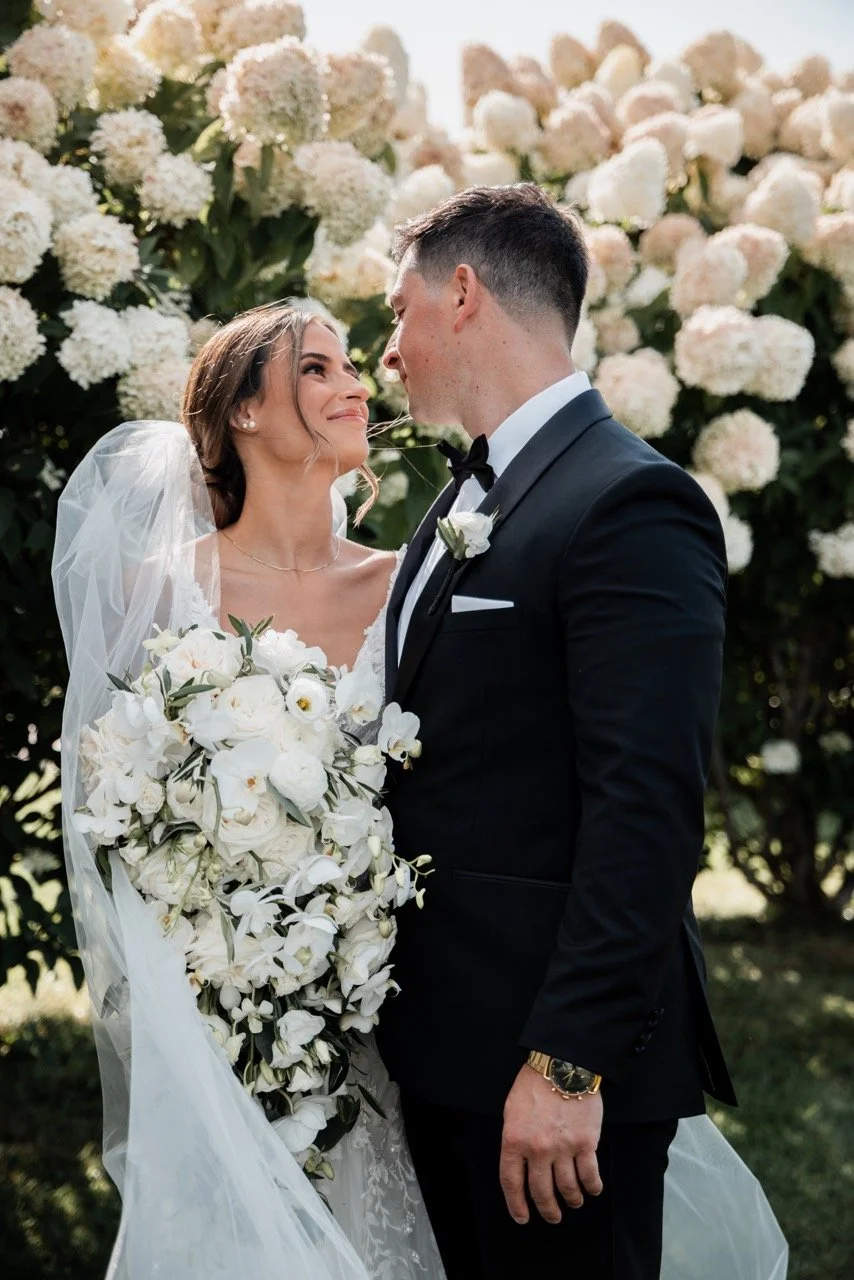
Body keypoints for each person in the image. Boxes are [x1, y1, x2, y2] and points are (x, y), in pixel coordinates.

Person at [53, 286, 787, 1279]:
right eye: (313, 368)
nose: (354, 382)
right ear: (240, 411)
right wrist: (220, 976)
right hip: (230, 1020)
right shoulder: (153, 589)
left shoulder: (409, 579)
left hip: (410, 1018)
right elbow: (120, 809)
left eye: (352, 362)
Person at [374, 181, 734, 1280]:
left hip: (548, 1076)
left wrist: (566, 1064)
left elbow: (648, 807)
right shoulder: (463, 497)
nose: (386, 351)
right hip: (443, 1048)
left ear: (464, 294)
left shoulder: (628, 500)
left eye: (398, 311)